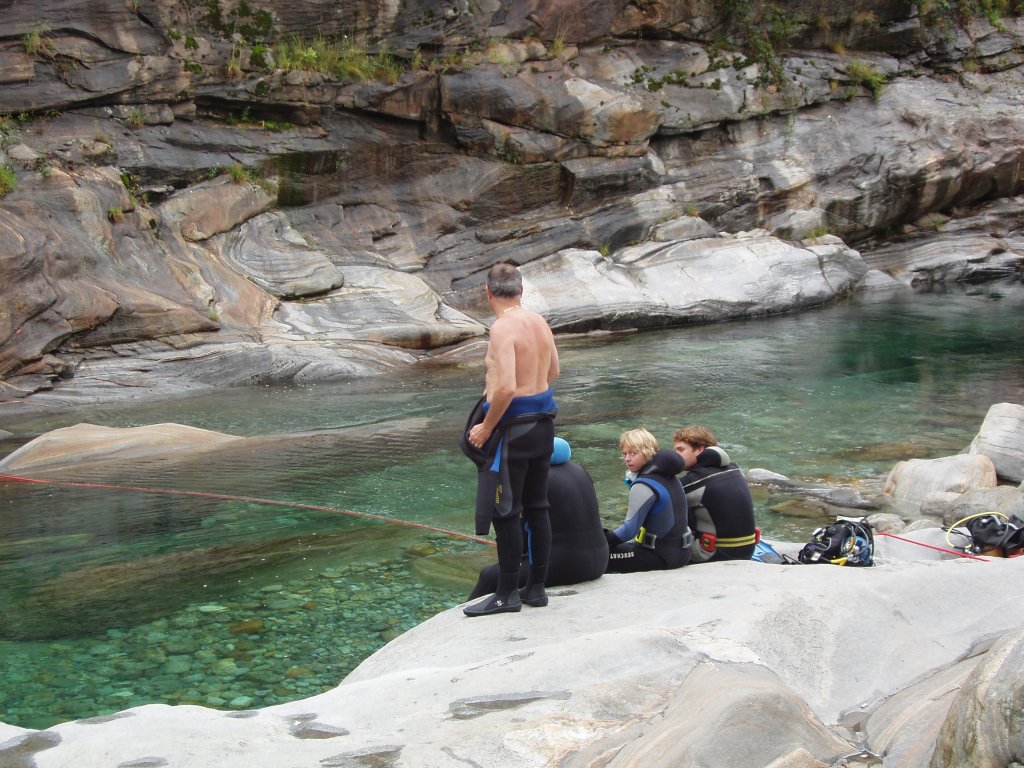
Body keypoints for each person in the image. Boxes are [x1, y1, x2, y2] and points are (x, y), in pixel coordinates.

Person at [461, 260, 560, 616]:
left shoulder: (502, 328)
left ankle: (505, 595)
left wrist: (486, 427)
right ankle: (536, 588)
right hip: (543, 424)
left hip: (513, 430)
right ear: (521, 290)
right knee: (538, 507)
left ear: (487, 293)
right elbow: (553, 371)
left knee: (506, 510)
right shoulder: (539, 321)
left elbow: (505, 387)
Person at [468, 437, 609, 601]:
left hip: (568, 565)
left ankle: (462, 622)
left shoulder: (532, 478)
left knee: (489, 576)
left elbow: (521, 533)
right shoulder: (579, 471)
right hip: (601, 559)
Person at [605, 428, 692, 573]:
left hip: (659, 556)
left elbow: (628, 531)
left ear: (647, 452)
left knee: (595, 557)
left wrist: (601, 540)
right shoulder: (670, 476)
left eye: (634, 453)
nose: (627, 459)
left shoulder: (642, 485)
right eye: (624, 453)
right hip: (684, 552)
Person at [673, 425, 757, 563]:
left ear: (700, 449)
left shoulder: (695, 481)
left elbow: (662, 503)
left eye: (680, 450)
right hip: (748, 549)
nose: (675, 455)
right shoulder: (734, 469)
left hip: (717, 555)